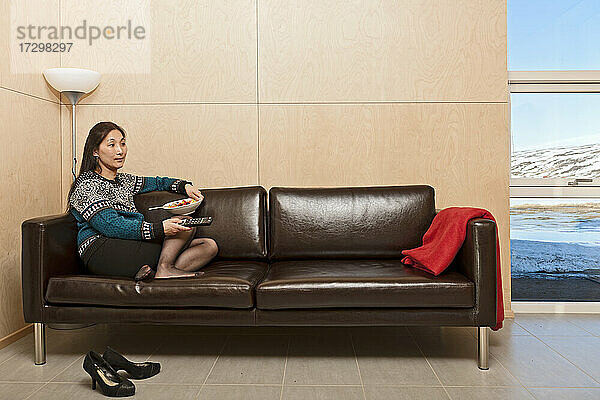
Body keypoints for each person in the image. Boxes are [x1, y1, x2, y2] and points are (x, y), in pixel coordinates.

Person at [66, 121, 218, 280]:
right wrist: (159, 229)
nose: (120, 151)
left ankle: (158, 272)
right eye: (112, 145)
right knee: (180, 228)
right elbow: (110, 225)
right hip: (101, 249)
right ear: (95, 151)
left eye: (122, 144)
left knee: (208, 246)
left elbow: (159, 182)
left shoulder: (125, 181)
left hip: (129, 243)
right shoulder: (86, 184)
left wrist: (183, 186)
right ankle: (164, 268)